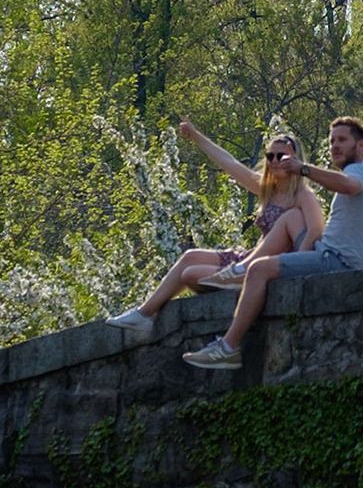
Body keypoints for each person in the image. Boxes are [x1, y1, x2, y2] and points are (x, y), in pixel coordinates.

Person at [183, 115, 363, 369]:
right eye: (332, 141)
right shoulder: (274, 188)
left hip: (339, 261)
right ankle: (239, 273)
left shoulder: (359, 172)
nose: (335, 146)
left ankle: (228, 347)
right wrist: (196, 135)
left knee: (259, 269)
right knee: (290, 218)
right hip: (325, 253)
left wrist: (304, 169)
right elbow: (230, 164)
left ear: (361, 145)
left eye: (342, 140)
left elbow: (350, 186)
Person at [104, 120, 323, 332]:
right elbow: (230, 163)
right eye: (270, 156)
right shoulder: (267, 189)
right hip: (249, 257)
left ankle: (240, 281)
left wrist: (297, 264)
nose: (275, 161)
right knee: (190, 259)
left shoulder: (302, 195)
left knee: (191, 275)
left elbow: (315, 231)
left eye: (281, 156)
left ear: (295, 159)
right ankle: (145, 314)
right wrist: (196, 136)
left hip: (269, 266)